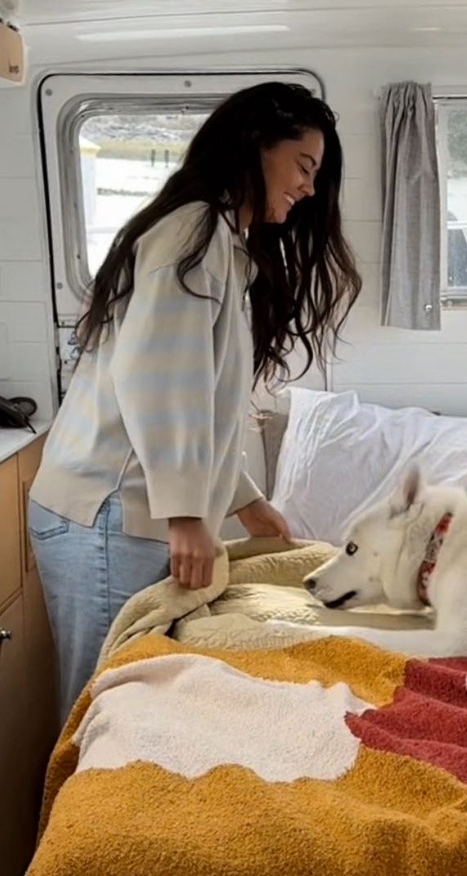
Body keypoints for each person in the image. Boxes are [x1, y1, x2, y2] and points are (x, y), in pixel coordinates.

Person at [28, 80, 360, 715]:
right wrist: (185, 516)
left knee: (124, 692)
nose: (309, 189)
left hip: (125, 510)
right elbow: (156, 382)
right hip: (110, 512)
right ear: (256, 146)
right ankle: (82, 816)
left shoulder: (221, 245)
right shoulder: (195, 232)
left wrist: (249, 504)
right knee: (104, 699)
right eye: (304, 166)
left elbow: (201, 411)